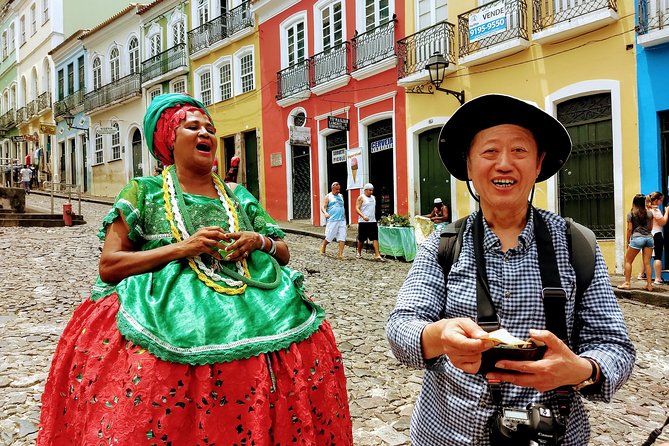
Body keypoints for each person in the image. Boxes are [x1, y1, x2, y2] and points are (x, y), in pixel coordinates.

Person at [37, 93, 352, 445]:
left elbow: (282, 250)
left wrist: (256, 241)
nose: (205, 133)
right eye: (192, 127)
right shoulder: (144, 192)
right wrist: (183, 248)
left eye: (210, 128)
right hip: (162, 311)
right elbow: (110, 265)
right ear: (169, 139)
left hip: (261, 306)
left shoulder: (237, 195)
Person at [386, 94, 635, 445]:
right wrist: (440, 336)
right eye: (489, 152)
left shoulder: (577, 244)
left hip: (553, 435)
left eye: (519, 151)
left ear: (538, 164)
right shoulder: (442, 245)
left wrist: (580, 371)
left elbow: (614, 345)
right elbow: (401, 328)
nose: (504, 164)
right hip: (447, 433)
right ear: (469, 165)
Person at [619, 193, 655, 292]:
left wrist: (628, 241)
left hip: (637, 238)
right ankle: (649, 285)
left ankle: (627, 283)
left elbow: (630, 229)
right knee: (647, 263)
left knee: (628, 261)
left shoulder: (631, 214)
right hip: (649, 238)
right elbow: (650, 228)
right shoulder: (650, 213)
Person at [355, 182, 385, 261]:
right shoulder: (361, 197)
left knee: (375, 238)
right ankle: (359, 252)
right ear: (365, 190)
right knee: (361, 238)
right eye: (370, 190)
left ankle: (377, 254)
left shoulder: (373, 198)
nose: (371, 192)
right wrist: (363, 216)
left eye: (372, 190)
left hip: (372, 221)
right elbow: (357, 208)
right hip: (363, 222)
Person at [320, 181, 346, 259]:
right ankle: (323, 246)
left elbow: (342, 207)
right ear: (332, 188)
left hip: (341, 219)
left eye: (339, 188)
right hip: (333, 219)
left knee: (342, 236)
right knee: (329, 236)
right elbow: (323, 207)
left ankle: (340, 254)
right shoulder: (328, 196)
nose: (338, 190)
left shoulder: (341, 196)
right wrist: (325, 213)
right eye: (336, 188)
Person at [649, 191, 669, 285]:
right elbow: (663, 222)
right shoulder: (655, 210)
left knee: (648, 256)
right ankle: (657, 278)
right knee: (658, 256)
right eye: (661, 200)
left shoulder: (647, 209)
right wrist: (667, 212)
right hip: (656, 234)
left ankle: (642, 274)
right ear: (656, 200)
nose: (661, 202)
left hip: (649, 234)